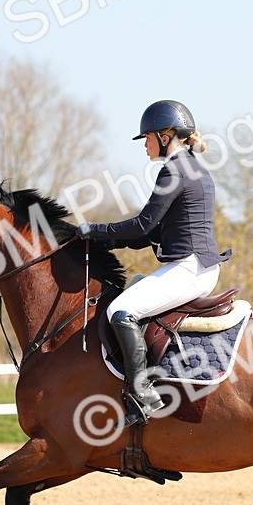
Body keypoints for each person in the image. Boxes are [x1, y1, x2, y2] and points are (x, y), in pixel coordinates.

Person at [78, 100, 231, 426]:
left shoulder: (175, 170)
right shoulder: (190, 167)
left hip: (190, 268)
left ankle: (142, 392)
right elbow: (150, 234)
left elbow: (143, 225)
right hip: (195, 266)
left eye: (146, 138)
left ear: (165, 135)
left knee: (120, 311)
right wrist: (102, 239)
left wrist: (95, 229)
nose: (144, 145)